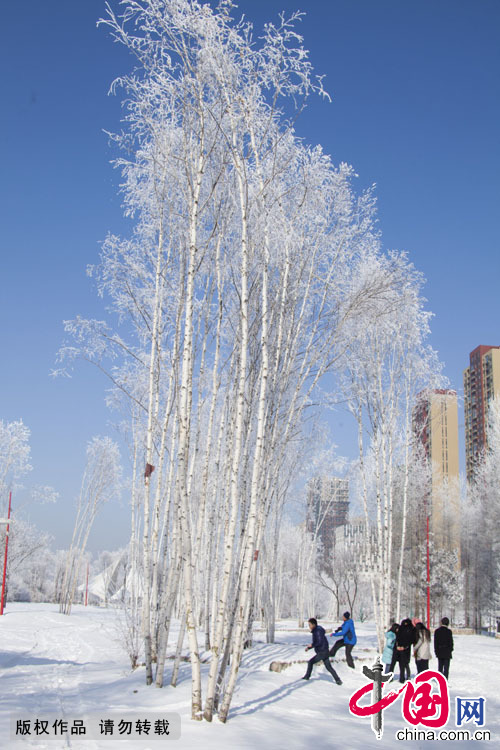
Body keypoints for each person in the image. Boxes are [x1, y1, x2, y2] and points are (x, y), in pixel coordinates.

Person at [302, 617, 342, 684]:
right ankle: (338, 680)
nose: (309, 626)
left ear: (313, 624)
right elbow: (318, 642)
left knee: (310, 662)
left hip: (322, 652)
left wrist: (311, 645)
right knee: (329, 667)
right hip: (325, 651)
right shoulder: (318, 630)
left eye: (309, 625)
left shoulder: (317, 631)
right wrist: (309, 648)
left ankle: (307, 676)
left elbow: (319, 642)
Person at [395, 618, 416, 683]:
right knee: (406, 663)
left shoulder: (401, 629)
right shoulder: (411, 629)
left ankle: (402, 678)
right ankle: (408, 675)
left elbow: (397, 637)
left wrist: (398, 646)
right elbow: (412, 639)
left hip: (400, 648)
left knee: (401, 663)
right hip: (407, 648)